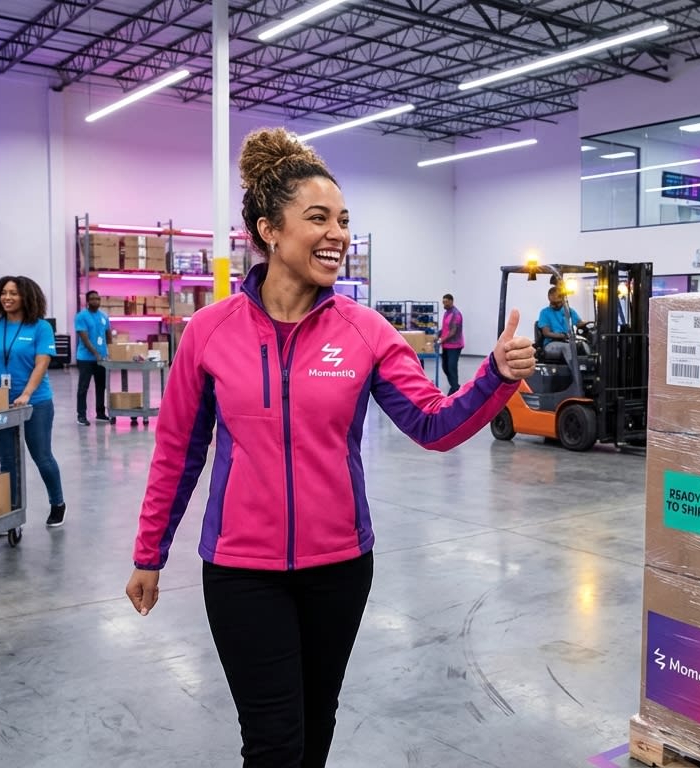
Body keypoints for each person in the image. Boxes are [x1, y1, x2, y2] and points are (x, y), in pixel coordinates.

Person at [124, 127, 535, 768]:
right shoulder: (209, 332)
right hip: (240, 571)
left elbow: (434, 425)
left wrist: (495, 377)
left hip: (340, 566)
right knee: (273, 743)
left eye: (343, 219)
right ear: (269, 230)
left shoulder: (365, 331)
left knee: (316, 731)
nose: (337, 234)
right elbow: (177, 451)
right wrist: (150, 552)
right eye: (318, 218)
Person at [0, 276, 67, 528]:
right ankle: (9, 512)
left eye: (13, 293)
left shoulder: (40, 328)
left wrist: (26, 393)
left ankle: (57, 503)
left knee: (41, 455)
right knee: (7, 460)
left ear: (26, 296)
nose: (7, 298)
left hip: (36, 403)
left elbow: (41, 363)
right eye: (3, 293)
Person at [74, 289, 111, 426]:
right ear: (87, 301)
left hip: (101, 358)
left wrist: (110, 351)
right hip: (85, 358)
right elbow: (84, 338)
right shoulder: (81, 316)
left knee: (101, 386)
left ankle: (100, 413)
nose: (96, 301)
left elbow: (108, 334)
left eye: (98, 299)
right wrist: (95, 353)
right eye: (93, 299)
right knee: (83, 387)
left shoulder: (104, 316)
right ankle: (81, 415)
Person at [536, 285, 588, 361]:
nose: (555, 305)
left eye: (558, 302)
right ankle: (576, 372)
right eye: (552, 303)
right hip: (551, 344)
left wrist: (589, 323)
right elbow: (546, 333)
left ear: (563, 299)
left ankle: (591, 370)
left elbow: (579, 323)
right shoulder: (545, 312)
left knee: (584, 345)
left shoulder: (569, 311)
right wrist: (562, 336)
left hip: (568, 342)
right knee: (567, 347)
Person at [438, 293, 464, 395]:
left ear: (451, 301)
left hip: (455, 346)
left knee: (451, 367)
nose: (444, 304)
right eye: (443, 302)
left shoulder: (456, 314)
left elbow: (453, 332)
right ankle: (455, 386)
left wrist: (441, 340)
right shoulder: (447, 313)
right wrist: (438, 334)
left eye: (446, 302)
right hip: (446, 346)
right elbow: (445, 328)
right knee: (445, 367)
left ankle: (454, 389)